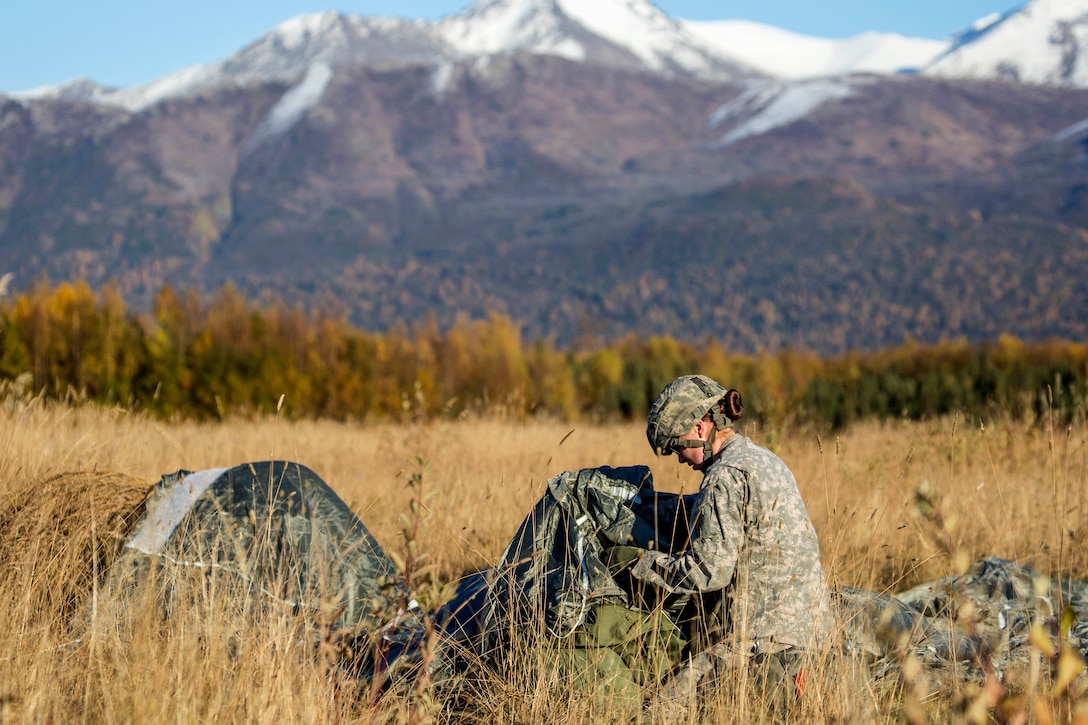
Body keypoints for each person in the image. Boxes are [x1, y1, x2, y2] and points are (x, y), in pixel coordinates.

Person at [632, 374, 831, 702]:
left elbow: (710, 571)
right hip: (813, 639)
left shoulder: (722, 478)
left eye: (677, 447)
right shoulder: (765, 460)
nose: (680, 458)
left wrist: (646, 566)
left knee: (657, 711)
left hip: (765, 647)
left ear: (700, 428)